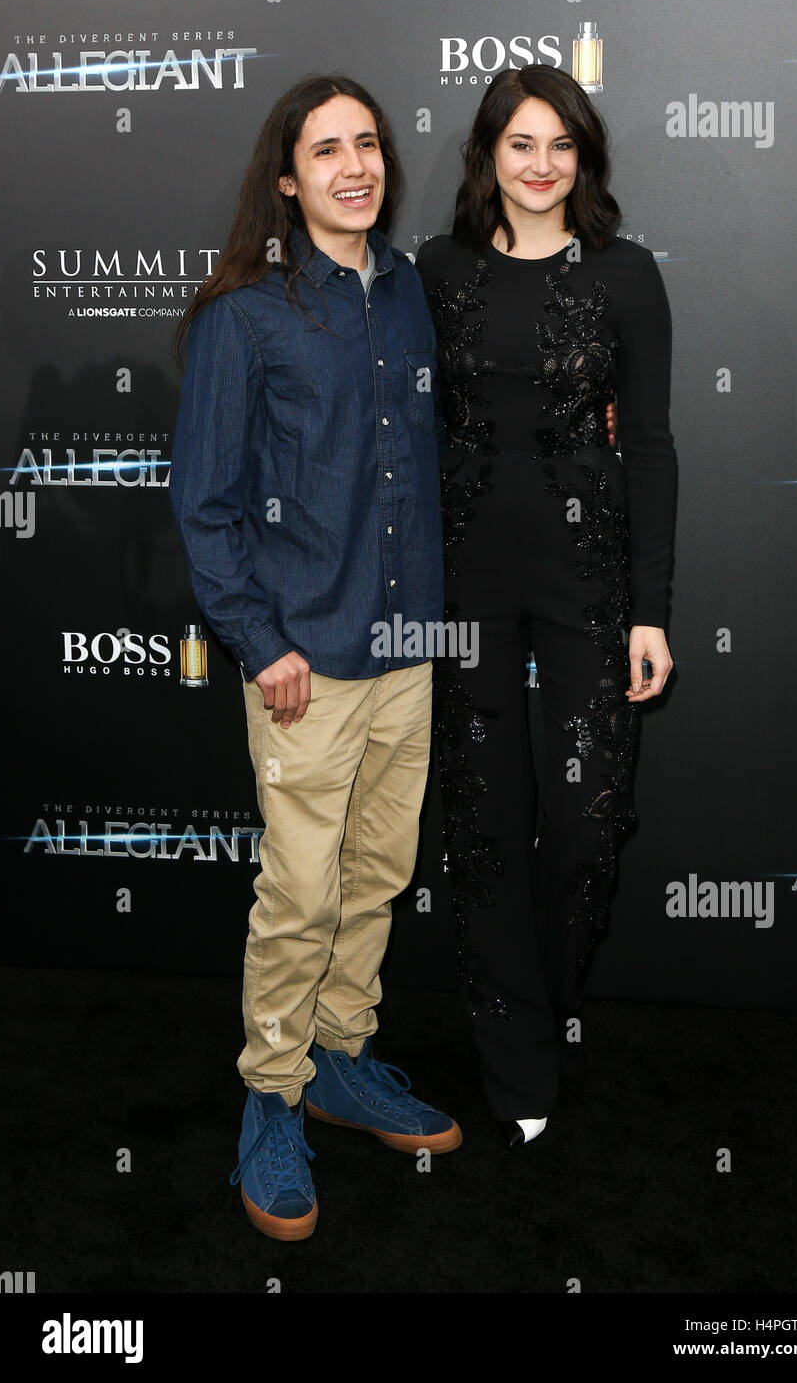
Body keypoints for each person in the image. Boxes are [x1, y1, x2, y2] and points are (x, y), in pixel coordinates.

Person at [168, 73, 462, 1242]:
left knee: (378, 875)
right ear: (287, 179)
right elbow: (205, 501)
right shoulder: (247, 314)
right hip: (306, 661)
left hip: (408, 646)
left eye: (369, 145)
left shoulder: (405, 294)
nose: (356, 165)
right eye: (327, 149)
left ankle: (343, 1055)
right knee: (296, 895)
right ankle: (272, 1095)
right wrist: (259, 641)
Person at [415, 66, 677, 1148]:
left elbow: (651, 444)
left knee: (580, 827)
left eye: (559, 145)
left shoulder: (624, 274)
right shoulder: (436, 270)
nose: (538, 164)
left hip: (589, 579)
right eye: (519, 143)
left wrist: (651, 610)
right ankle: (513, 1053)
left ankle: (543, 1006)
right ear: (487, 154)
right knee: (481, 826)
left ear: (583, 158)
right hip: (465, 579)